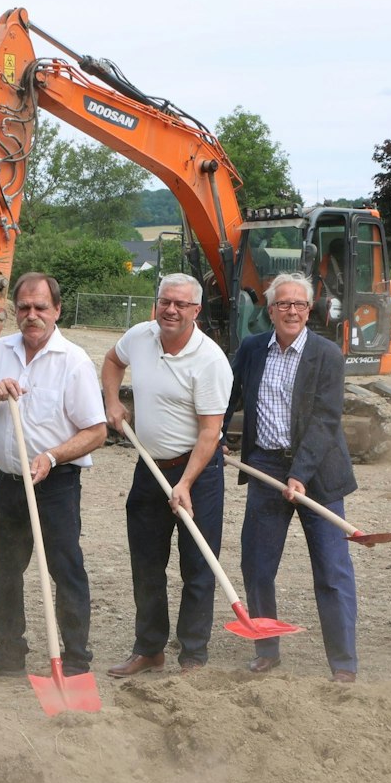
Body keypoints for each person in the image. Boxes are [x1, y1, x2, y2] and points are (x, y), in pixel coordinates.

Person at [0, 272, 107, 680]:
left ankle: (76, 661)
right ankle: (9, 654)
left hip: (55, 483)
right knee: (4, 571)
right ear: (14, 311)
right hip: (7, 481)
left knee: (66, 569)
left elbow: (96, 431)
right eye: (24, 307)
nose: (32, 315)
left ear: (56, 310)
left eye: (41, 307)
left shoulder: (73, 361)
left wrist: (52, 457)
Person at [100, 273, 234, 675]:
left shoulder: (210, 361)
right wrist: (112, 402)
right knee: (146, 563)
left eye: (180, 304)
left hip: (199, 473)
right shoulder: (140, 336)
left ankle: (193, 655)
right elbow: (111, 360)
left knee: (197, 565)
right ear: (156, 304)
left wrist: (186, 484)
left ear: (196, 310)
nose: (170, 310)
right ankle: (149, 649)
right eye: (164, 302)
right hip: (149, 467)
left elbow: (211, 432)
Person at [228, 274, 359, 681]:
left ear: (309, 311)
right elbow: (228, 396)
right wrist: (210, 434)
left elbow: (325, 420)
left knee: (332, 569)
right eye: (283, 304)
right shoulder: (251, 350)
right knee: (258, 565)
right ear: (270, 311)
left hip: (318, 472)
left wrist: (300, 474)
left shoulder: (327, 354)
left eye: (300, 304)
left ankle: (343, 662)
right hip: (266, 468)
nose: (292, 310)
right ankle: (267, 648)